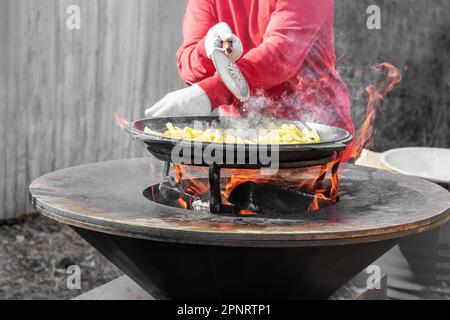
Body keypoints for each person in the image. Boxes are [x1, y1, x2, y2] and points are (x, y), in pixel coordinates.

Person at [145, 0, 354, 135]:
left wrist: (210, 92)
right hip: (241, 139)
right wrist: (207, 50)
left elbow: (281, 54)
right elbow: (187, 65)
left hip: (317, 137)